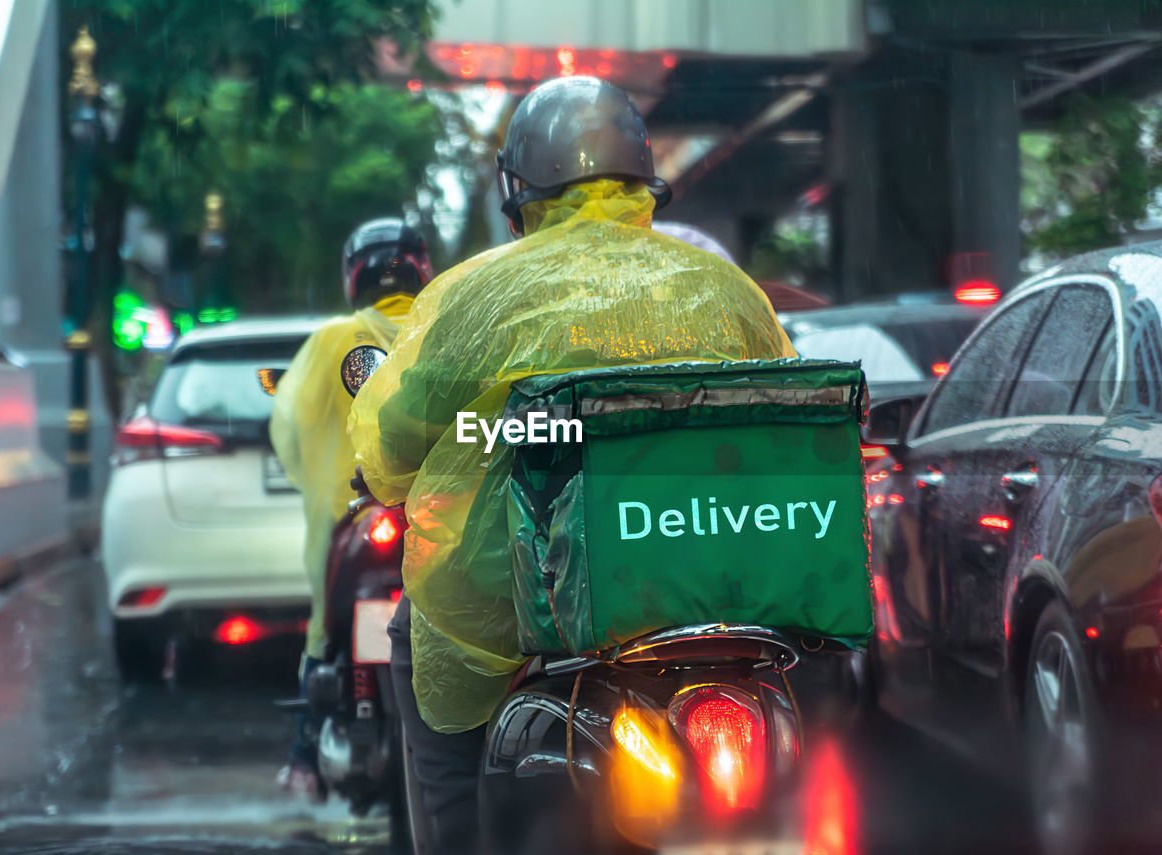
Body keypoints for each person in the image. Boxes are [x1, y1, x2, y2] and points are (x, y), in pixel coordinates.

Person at [347, 76, 795, 851]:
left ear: (519, 192)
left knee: (418, 644)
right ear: (642, 180)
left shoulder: (476, 298)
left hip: (516, 604)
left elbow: (390, 449)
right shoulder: (729, 289)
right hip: (702, 589)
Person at [269, 218, 433, 799]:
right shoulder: (446, 325)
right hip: (439, 525)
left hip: (352, 526)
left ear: (352, 277)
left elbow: (286, 426)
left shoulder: (331, 341)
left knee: (322, 635)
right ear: (422, 267)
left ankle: (303, 757)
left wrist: (318, 479)